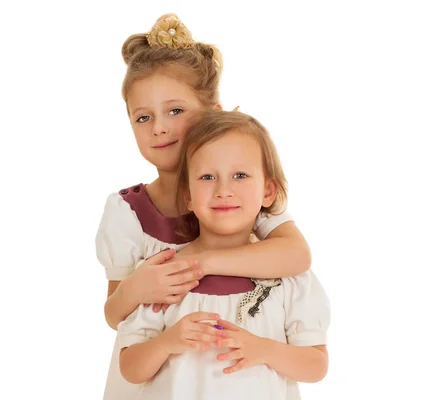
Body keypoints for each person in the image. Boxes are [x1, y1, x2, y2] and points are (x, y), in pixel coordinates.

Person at [95, 14, 312, 399]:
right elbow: (114, 316)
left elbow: (296, 255)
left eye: (175, 111)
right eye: (143, 117)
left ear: (213, 111)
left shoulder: (241, 193)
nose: (159, 127)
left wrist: (200, 263)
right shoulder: (127, 212)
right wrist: (137, 288)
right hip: (159, 377)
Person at [118, 110, 330, 399]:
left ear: (268, 191)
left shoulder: (288, 278)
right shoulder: (166, 273)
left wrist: (264, 349)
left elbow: (316, 366)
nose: (223, 190)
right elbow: (130, 369)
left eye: (240, 175)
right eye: (207, 177)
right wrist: (167, 342)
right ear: (188, 195)